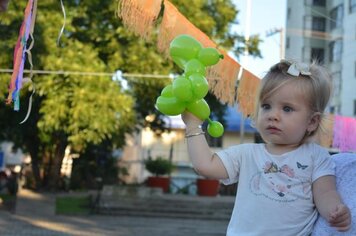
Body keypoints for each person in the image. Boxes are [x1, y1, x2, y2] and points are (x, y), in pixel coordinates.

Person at [182, 60, 351, 235]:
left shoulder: (317, 156)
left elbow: (325, 193)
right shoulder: (246, 154)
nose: (273, 115)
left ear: (312, 121)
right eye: (266, 106)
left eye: (287, 108)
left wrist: (335, 210)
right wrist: (193, 126)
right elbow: (205, 165)